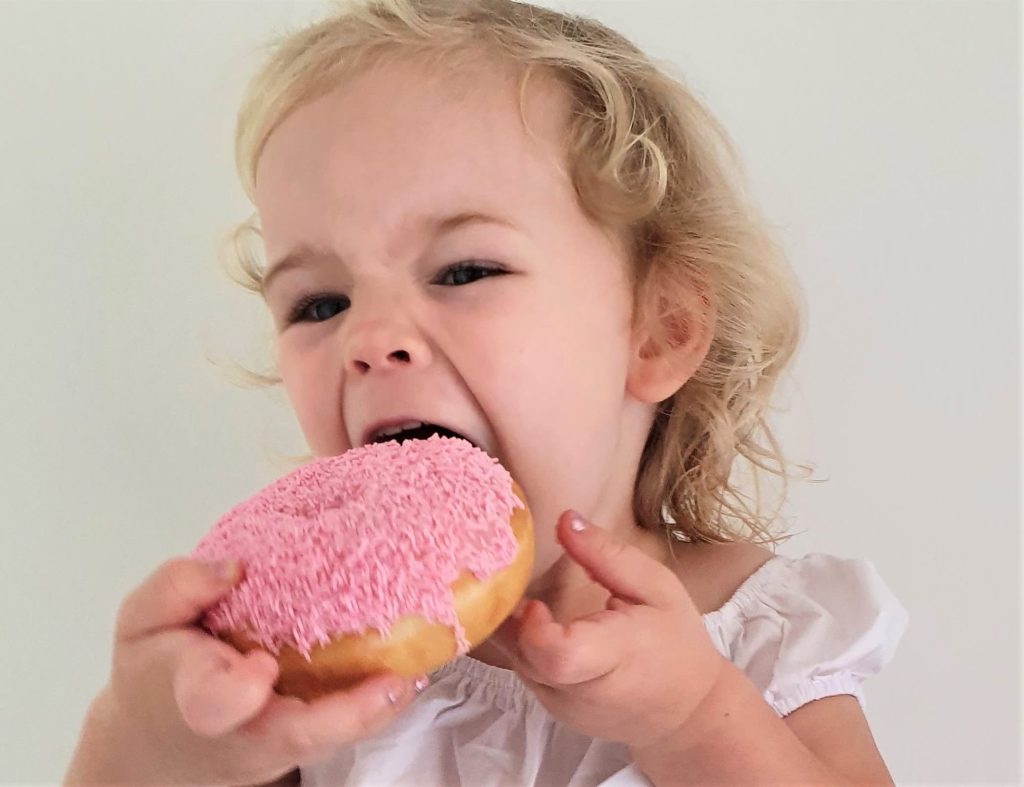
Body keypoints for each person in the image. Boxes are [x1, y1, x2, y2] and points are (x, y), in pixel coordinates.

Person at [64, 0, 909, 784]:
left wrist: (691, 719)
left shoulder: (758, 633)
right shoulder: (311, 665)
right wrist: (144, 742)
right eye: (319, 303)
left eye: (465, 270)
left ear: (660, 331)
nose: (369, 340)